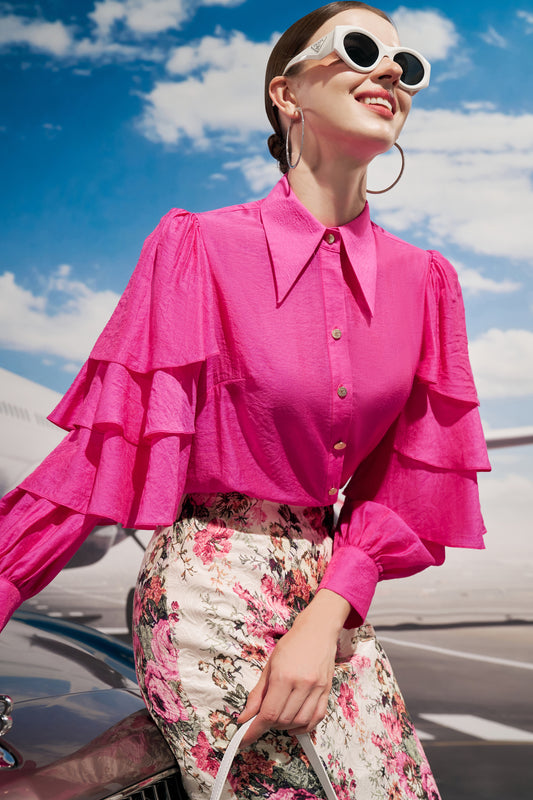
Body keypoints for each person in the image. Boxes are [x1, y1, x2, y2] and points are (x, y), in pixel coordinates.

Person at [0, 2, 491, 798]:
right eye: (361, 49)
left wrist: (330, 611)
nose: (392, 72)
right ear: (285, 93)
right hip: (205, 594)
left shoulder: (426, 282)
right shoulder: (197, 247)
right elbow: (101, 455)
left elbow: (398, 487)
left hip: (330, 607)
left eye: (409, 65)